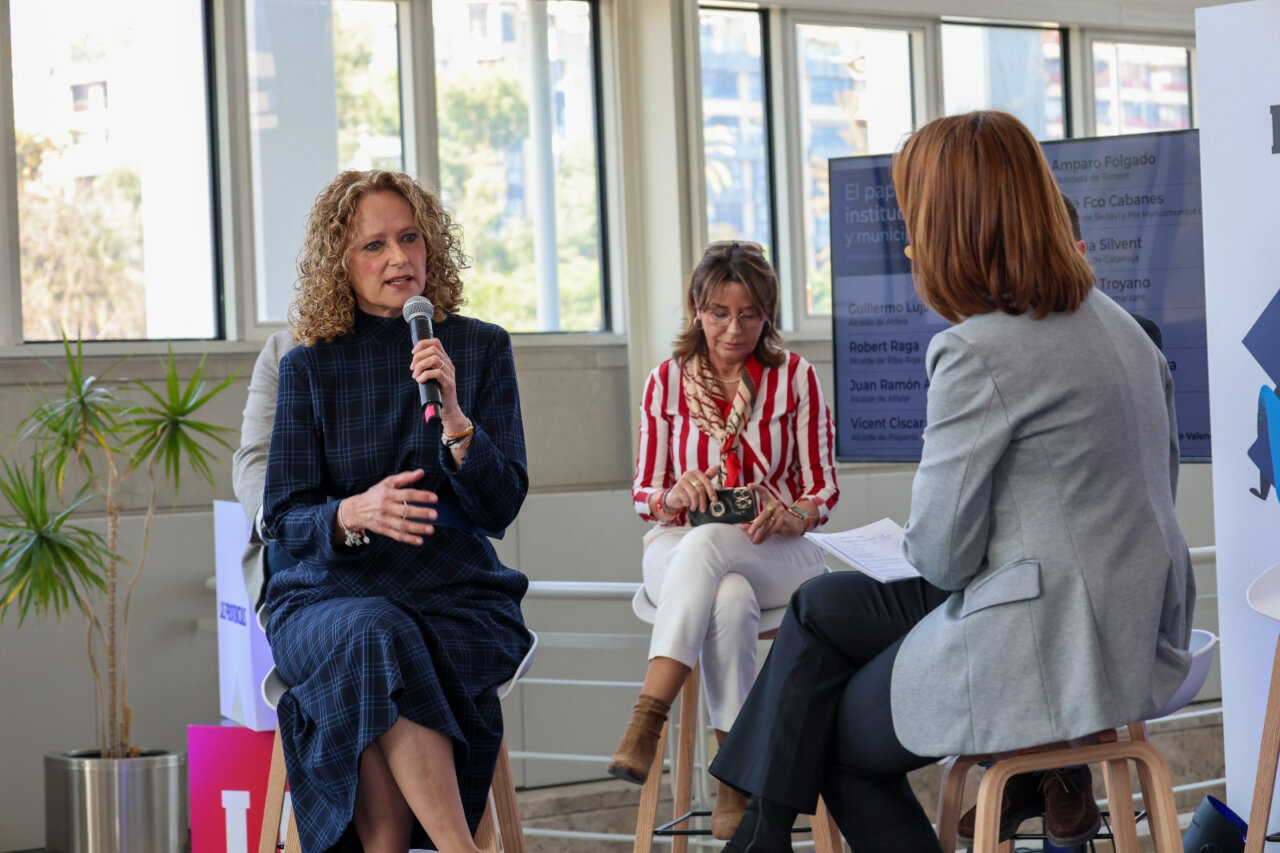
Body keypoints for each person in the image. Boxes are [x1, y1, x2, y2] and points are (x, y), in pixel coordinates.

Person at [708, 110, 1196, 853]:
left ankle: (757, 833)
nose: (908, 241)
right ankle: (760, 836)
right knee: (818, 604)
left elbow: (940, 554)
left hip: (1049, 639)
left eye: (915, 222)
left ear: (954, 228)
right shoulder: (1122, 328)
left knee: (834, 731)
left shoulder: (978, 350)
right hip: (1133, 626)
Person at [261, 169, 532, 853]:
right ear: (340, 265)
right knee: (376, 634)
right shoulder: (308, 368)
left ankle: (386, 841)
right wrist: (354, 510)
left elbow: (501, 507)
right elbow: (286, 519)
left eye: (409, 238)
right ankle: (456, 845)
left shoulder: (480, 348)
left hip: (453, 592)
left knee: (384, 644)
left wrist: (461, 425)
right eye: (374, 246)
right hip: (326, 595)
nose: (398, 258)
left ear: (431, 246)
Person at [606, 240, 839, 839]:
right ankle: (734, 778)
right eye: (718, 313)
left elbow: (824, 488)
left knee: (713, 551)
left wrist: (794, 513)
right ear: (696, 309)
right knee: (725, 591)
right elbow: (643, 494)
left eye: (749, 315)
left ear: (768, 314)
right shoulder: (666, 383)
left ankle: (646, 718)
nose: (733, 329)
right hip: (677, 542)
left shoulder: (796, 379)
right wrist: (674, 498)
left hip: (776, 547)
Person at [232, 328, 297, 620]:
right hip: (308, 531)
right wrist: (274, 518)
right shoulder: (286, 347)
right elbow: (254, 456)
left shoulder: (449, 343)